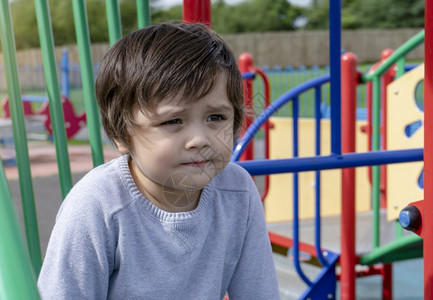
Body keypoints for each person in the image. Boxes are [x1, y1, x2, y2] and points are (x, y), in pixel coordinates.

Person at [38, 22, 280, 299]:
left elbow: (259, 292)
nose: (200, 139)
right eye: (173, 121)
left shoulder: (237, 191)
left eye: (216, 117)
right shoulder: (97, 206)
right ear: (121, 135)